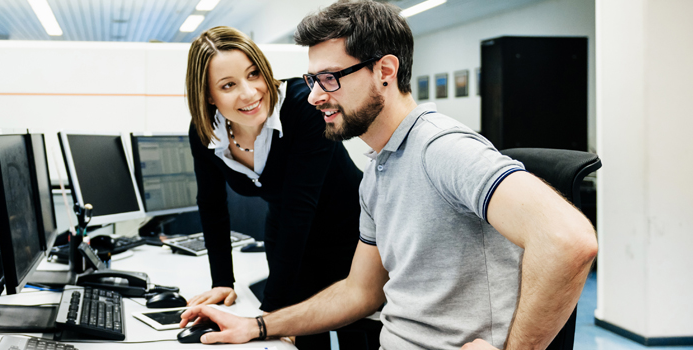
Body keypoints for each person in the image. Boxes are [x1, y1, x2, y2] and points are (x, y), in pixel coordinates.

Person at [179, 2, 599, 350]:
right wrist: (258, 326)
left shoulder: (443, 148)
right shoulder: (379, 169)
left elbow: (569, 241)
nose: (316, 96)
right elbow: (358, 293)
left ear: (384, 71)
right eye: (313, 79)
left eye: (330, 79)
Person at [184, 26, 379, 350]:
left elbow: (299, 208)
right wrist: (222, 281)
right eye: (228, 85)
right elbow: (212, 205)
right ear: (207, 95)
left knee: (356, 329)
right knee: (300, 338)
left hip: (349, 232)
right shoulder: (206, 131)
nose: (249, 93)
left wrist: (265, 317)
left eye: (253, 74)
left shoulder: (303, 108)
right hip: (286, 233)